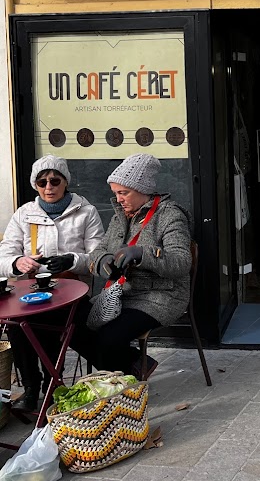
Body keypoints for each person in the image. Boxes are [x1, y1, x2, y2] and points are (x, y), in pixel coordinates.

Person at [70, 153, 191, 378]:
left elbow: (181, 262)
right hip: (121, 294)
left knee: (108, 337)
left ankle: (119, 391)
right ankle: (132, 365)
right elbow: (98, 251)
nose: (118, 199)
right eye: (115, 193)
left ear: (142, 190)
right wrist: (105, 262)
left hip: (161, 296)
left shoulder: (170, 215)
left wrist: (142, 254)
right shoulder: (120, 216)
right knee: (73, 324)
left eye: (123, 193)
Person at [0, 155, 104, 411]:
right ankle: (32, 386)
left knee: (48, 320)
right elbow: (5, 254)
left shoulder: (86, 212)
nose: (48, 187)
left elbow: (100, 255)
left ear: (65, 182)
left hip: (73, 289)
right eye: (41, 182)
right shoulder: (24, 214)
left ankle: (51, 384)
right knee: (16, 324)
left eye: (54, 181)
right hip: (31, 290)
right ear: (35, 185)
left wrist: (72, 260)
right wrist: (18, 262)